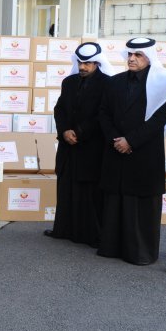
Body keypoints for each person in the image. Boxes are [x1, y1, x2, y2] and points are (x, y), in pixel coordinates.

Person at [96, 37, 166, 265]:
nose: (132, 59)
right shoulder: (115, 82)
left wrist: (130, 141)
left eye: (138, 55)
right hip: (115, 150)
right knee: (115, 200)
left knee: (141, 204)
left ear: (149, 57)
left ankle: (140, 252)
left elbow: (158, 120)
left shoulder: (164, 84)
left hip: (144, 153)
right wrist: (116, 139)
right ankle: (112, 247)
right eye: (130, 54)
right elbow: (103, 113)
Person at [44, 42, 116, 246]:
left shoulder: (108, 83)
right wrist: (64, 131)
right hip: (68, 146)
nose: (83, 67)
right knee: (66, 187)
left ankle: (90, 234)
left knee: (89, 192)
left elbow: (102, 114)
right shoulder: (69, 82)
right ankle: (64, 229)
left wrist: (79, 132)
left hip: (91, 147)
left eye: (88, 63)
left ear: (97, 63)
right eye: (80, 63)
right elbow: (60, 109)